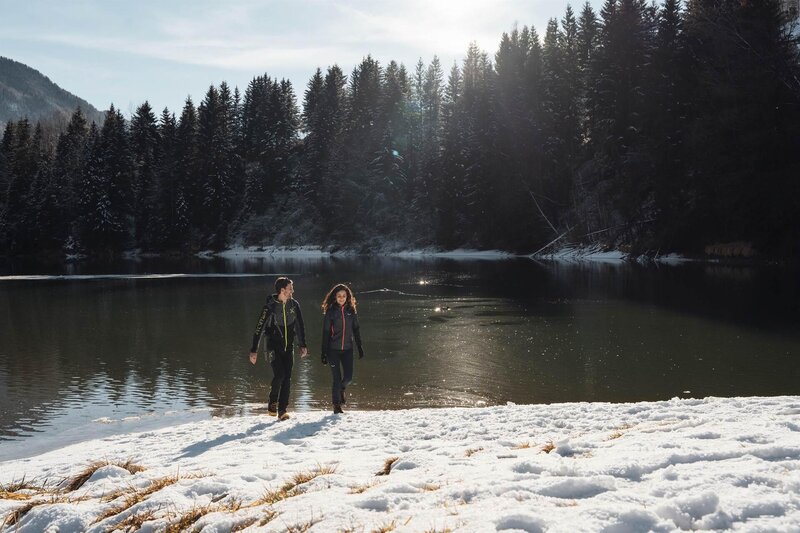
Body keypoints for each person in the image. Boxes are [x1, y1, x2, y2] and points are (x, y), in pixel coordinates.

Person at [249, 277, 308, 420]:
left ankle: (282, 410)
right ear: (282, 290)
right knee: (280, 375)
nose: (292, 290)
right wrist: (254, 350)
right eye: (290, 288)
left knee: (287, 378)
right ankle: (272, 401)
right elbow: (259, 329)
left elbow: (300, 326)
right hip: (272, 347)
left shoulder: (294, 305)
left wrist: (302, 345)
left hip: (289, 347)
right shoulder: (270, 307)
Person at [321, 283, 364, 414]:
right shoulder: (330, 311)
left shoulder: (351, 311)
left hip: (347, 349)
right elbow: (326, 332)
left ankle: (342, 389)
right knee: (336, 378)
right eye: (339, 296)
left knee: (348, 378)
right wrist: (323, 352)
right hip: (332, 350)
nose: (341, 298)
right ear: (335, 297)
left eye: (344, 296)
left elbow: (356, 329)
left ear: (347, 297)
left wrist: (359, 346)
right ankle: (336, 406)